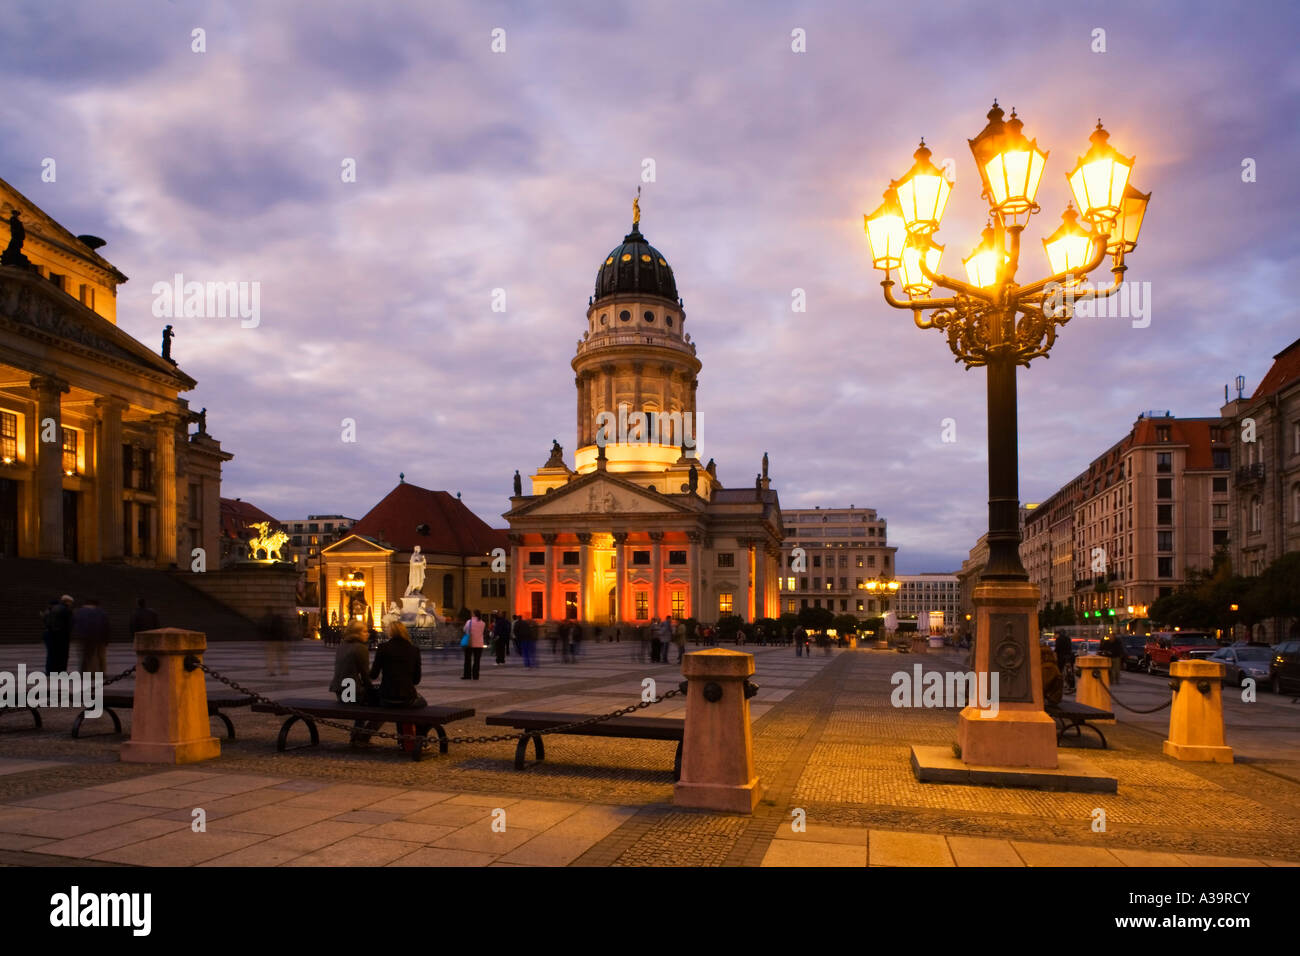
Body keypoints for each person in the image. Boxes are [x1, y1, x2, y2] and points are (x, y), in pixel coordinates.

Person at [330, 621, 380, 744]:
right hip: (350, 688)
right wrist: (371, 689)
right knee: (380, 707)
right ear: (356, 633)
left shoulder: (343, 645)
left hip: (339, 687)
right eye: (364, 631)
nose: (367, 634)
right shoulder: (360, 648)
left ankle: (357, 734)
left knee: (362, 705)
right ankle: (362, 736)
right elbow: (365, 674)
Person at [72, 598, 111, 674]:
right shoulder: (101, 612)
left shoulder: (79, 612)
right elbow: (106, 626)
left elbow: (75, 624)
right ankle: (102, 672)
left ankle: (85, 672)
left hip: (84, 637)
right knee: (101, 656)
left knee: (85, 656)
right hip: (100, 637)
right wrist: (106, 639)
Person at [41, 595, 74, 673]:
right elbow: (69, 623)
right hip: (61, 634)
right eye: (71, 602)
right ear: (67, 602)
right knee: (63, 655)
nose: (71, 604)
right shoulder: (65, 610)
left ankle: (51, 671)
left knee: (52, 654)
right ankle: (61, 671)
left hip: (51, 633)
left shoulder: (51, 610)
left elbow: (48, 622)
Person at [259, 607, 290, 676]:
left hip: (272, 641)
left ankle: (271, 671)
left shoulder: (270, 621)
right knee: (281, 657)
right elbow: (285, 632)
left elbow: (266, 630)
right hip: (281, 641)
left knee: (271, 657)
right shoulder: (281, 622)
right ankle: (285, 671)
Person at [462, 609, 486, 680]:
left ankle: (467, 675)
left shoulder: (469, 622)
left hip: (470, 643)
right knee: (477, 660)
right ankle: (476, 676)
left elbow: (465, 630)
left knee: (468, 660)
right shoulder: (483, 623)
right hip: (479, 644)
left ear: (474, 614)